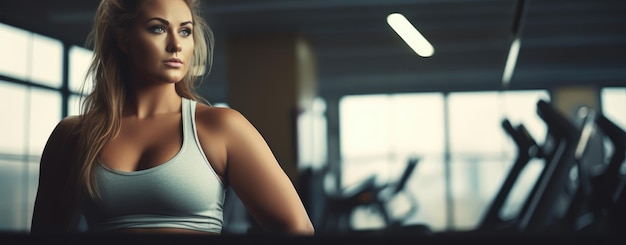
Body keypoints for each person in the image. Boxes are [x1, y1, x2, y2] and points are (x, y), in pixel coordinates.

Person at [30, 0, 314, 236]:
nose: (176, 44)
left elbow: (297, 229)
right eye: (158, 29)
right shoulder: (72, 136)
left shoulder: (220, 128)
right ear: (123, 37)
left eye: (185, 31)